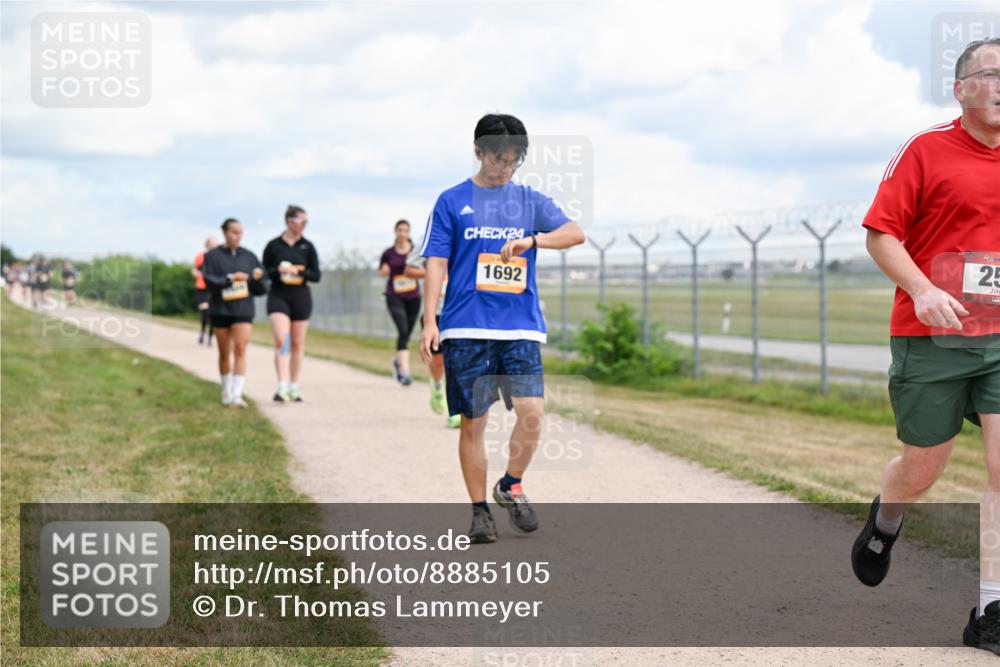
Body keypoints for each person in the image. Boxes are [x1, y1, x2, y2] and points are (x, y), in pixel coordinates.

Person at [850, 38, 1000, 654]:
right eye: (991, 74)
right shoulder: (925, 149)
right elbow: (880, 234)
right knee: (922, 469)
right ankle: (885, 521)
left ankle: (990, 608)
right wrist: (921, 289)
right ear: (961, 89)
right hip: (933, 334)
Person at [419, 113, 585, 543]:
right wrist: (429, 320)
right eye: (498, 159)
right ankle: (479, 512)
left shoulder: (530, 201)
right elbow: (436, 261)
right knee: (474, 422)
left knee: (532, 414)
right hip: (465, 324)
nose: (505, 168)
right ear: (478, 152)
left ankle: (511, 484)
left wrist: (533, 241)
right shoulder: (451, 201)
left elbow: (574, 233)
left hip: (520, 326)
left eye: (514, 160)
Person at [201, 218, 268, 408]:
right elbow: (208, 280)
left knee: (240, 348)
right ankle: (226, 389)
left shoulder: (249, 256)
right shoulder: (213, 256)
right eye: (234, 232)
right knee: (225, 351)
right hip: (221, 309)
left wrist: (257, 278)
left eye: (240, 232)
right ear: (225, 233)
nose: (238, 236)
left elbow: (262, 287)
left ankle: (237, 394)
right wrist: (230, 279)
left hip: (243, 309)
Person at [262, 205, 321, 403]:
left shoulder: (308, 246)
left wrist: (299, 272)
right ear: (289, 221)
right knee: (282, 339)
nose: (304, 226)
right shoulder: (273, 246)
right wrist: (277, 270)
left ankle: (294, 386)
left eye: (306, 222)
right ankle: (282, 385)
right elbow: (263, 271)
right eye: (301, 221)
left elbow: (316, 275)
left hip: (301, 297)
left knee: (297, 343)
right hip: (279, 296)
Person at [404, 252, 461, 428]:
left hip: (460, 311)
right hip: (434, 313)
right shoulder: (429, 241)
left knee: (457, 362)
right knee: (439, 362)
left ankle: (456, 411)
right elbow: (408, 270)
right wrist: (434, 272)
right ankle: (437, 385)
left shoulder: (470, 233)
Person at [380, 220, 422, 386]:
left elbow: (425, 270)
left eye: (405, 230)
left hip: (413, 296)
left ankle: (398, 362)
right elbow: (382, 270)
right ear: (395, 232)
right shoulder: (388, 253)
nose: (402, 233)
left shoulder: (415, 252)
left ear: (409, 232)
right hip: (394, 295)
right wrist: (384, 271)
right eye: (399, 230)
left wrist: (416, 273)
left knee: (407, 333)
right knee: (403, 330)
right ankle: (405, 371)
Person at [193, 237, 218, 345]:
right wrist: (195, 273)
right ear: (207, 245)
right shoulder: (201, 257)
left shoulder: (219, 258)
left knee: (213, 314)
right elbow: (195, 269)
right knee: (205, 313)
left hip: (213, 288)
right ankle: (203, 332)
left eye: (215, 244)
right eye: (211, 244)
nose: (213, 246)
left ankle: (210, 337)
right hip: (202, 287)